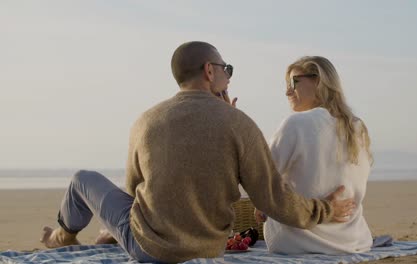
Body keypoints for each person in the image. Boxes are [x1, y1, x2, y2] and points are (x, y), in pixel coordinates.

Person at [40, 42, 356, 263]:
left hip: (148, 249)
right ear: (209, 71)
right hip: (209, 248)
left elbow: (136, 192)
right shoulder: (240, 124)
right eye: (226, 69)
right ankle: (91, 234)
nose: (229, 76)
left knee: (83, 179)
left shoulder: (145, 122)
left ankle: (62, 236)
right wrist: (326, 210)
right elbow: (273, 199)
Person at [254, 56, 374, 255]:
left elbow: (261, 178)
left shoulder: (296, 124)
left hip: (298, 242)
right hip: (354, 241)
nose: (287, 91)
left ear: (318, 81)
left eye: (294, 82)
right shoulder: (357, 127)